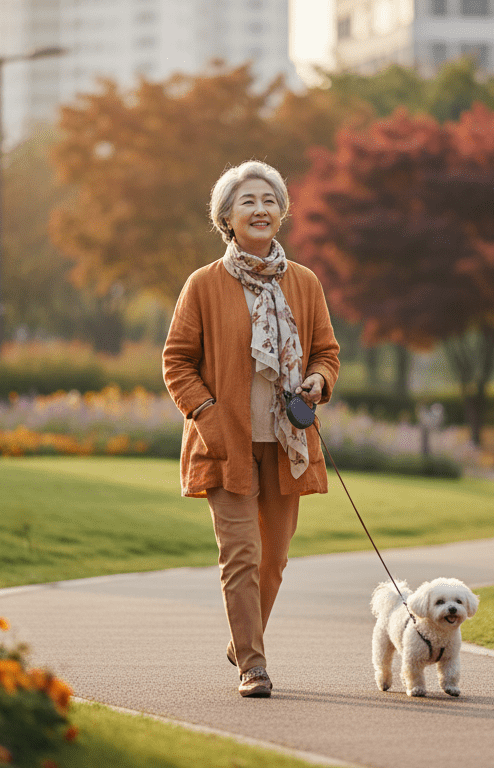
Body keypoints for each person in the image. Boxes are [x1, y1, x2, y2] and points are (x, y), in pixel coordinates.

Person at [162, 160, 340, 698]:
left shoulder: (304, 283)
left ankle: (243, 638)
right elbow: (177, 362)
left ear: (281, 213)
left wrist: (316, 378)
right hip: (226, 444)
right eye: (248, 201)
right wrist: (208, 414)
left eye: (269, 200)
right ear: (227, 216)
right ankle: (254, 666)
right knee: (240, 554)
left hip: (288, 446)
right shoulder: (204, 284)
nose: (260, 208)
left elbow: (328, 353)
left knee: (274, 559)